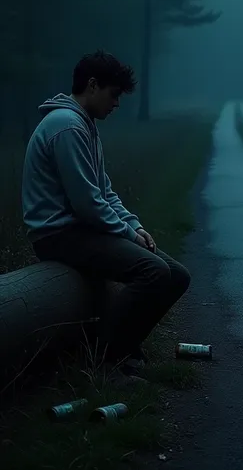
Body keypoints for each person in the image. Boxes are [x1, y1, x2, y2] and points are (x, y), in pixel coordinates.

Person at [21, 50, 191, 379]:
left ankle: (123, 346)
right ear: (93, 85)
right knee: (153, 272)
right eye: (113, 95)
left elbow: (104, 192)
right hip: (58, 235)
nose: (116, 104)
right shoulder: (66, 126)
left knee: (177, 275)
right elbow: (87, 203)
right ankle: (104, 357)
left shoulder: (83, 125)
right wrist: (127, 234)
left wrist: (134, 226)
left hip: (83, 230)